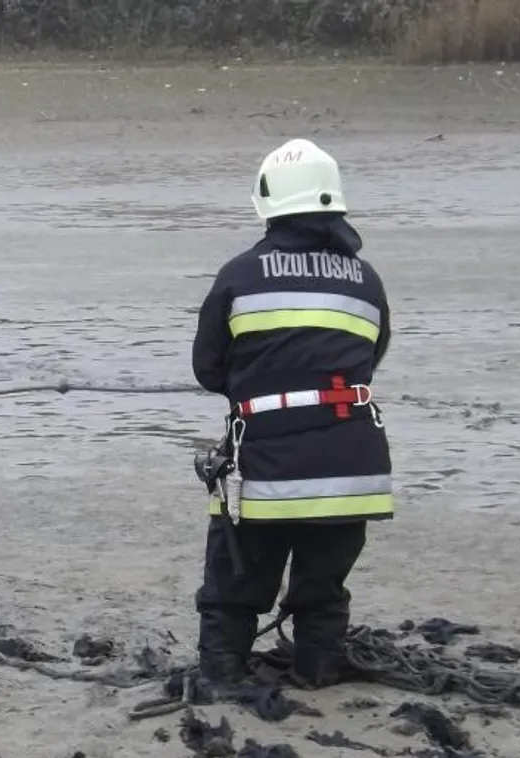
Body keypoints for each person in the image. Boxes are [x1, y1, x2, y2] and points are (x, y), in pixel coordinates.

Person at [190, 138, 394, 692]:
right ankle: (319, 671)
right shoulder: (367, 279)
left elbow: (208, 369)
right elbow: (370, 360)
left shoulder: (240, 274)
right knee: (323, 585)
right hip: (355, 468)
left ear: (267, 202)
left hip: (269, 465)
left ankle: (223, 674)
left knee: (235, 579)